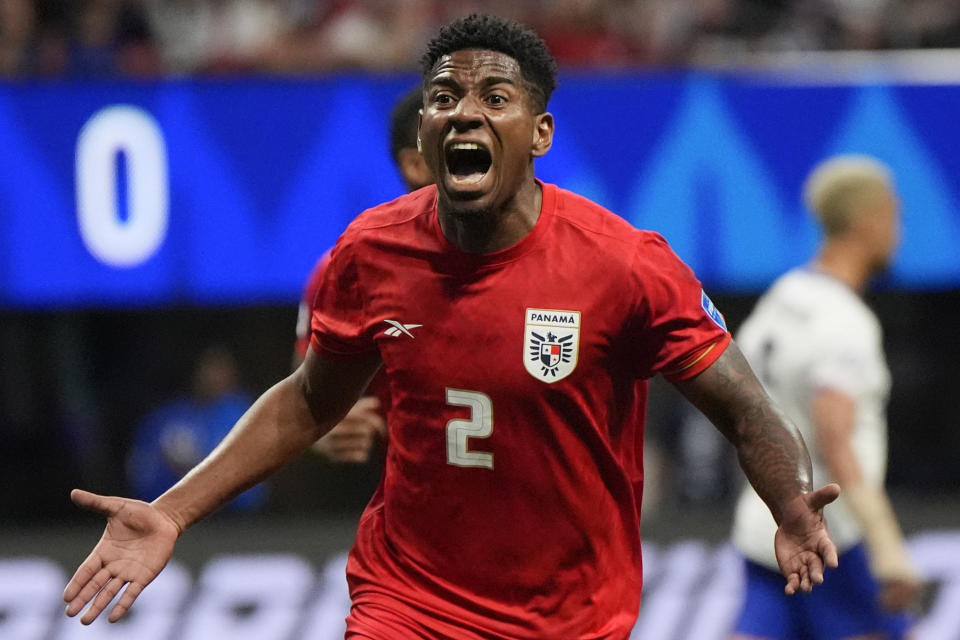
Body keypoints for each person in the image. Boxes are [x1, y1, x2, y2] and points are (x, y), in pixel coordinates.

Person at [63, 14, 841, 638]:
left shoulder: (625, 266)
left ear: (538, 134)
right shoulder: (371, 252)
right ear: (427, 132)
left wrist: (790, 503)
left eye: (496, 98)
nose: (465, 110)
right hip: (409, 602)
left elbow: (745, 410)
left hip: (572, 617)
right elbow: (308, 401)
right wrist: (172, 509)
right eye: (444, 97)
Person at [729, 155, 921, 640]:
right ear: (868, 219)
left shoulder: (781, 298)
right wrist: (888, 547)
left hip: (764, 523)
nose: (899, 230)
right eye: (895, 214)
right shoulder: (845, 322)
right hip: (832, 535)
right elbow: (837, 440)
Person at [295, 85, 433, 464]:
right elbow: (307, 396)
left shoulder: (551, 257)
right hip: (416, 505)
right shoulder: (352, 267)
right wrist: (324, 430)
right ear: (415, 164)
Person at [126, 345, 265, 511]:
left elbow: (254, 490)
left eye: (220, 369)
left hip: (235, 522)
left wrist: (199, 465)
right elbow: (139, 475)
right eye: (208, 368)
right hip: (173, 514)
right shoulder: (167, 418)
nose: (212, 377)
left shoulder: (245, 412)